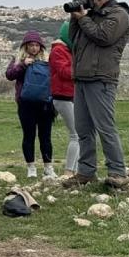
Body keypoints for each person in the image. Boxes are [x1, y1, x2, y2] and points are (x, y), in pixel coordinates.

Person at [62, 0, 129, 190]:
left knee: (105, 127)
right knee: (83, 128)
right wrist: (76, 17)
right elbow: (72, 38)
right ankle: (86, 172)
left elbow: (103, 36)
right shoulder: (90, 16)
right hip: (82, 77)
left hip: (101, 78)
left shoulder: (118, 15)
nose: (87, 1)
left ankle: (117, 172)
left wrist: (83, 18)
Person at [5, 30, 56, 179]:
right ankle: (31, 167)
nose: (34, 48)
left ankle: (48, 167)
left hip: (45, 103)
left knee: (45, 136)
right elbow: (9, 75)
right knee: (29, 136)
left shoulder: (47, 60)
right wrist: (22, 65)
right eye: (31, 45)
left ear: (41, 46)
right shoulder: (18, 60)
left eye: (37, 45)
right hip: (25, 103)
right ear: (25, 46)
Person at [49, 21, 79, 177]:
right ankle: (69, 171)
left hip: (69, 95)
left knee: (78, 135)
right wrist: (81, 68)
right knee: (76, 135)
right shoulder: (59, 50)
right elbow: (64, 72)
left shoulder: (66, 50)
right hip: (63, 96)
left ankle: (75, 170)